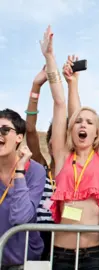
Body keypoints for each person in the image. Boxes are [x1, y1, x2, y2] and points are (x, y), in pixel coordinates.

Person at [40, 24, 99, 269]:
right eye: (78, 121)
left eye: (89, 121)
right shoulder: (63, 155)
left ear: (98, 132)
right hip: (60, 254)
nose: (82, 124)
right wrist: (50, 57)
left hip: (94, 254)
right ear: (71, 129)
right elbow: (58, 102)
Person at [0, 109, 45, 268]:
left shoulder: (35, 170)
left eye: (5, 130)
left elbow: (20, 217)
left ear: (19, 137)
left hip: (25, 263)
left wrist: (19, 170)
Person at [25, 66, 56, 260]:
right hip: (38, 235)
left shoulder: (76, 171)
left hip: (64, 237)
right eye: (55, 138)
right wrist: (36, 86)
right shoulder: (40, 166)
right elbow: (29, 129)